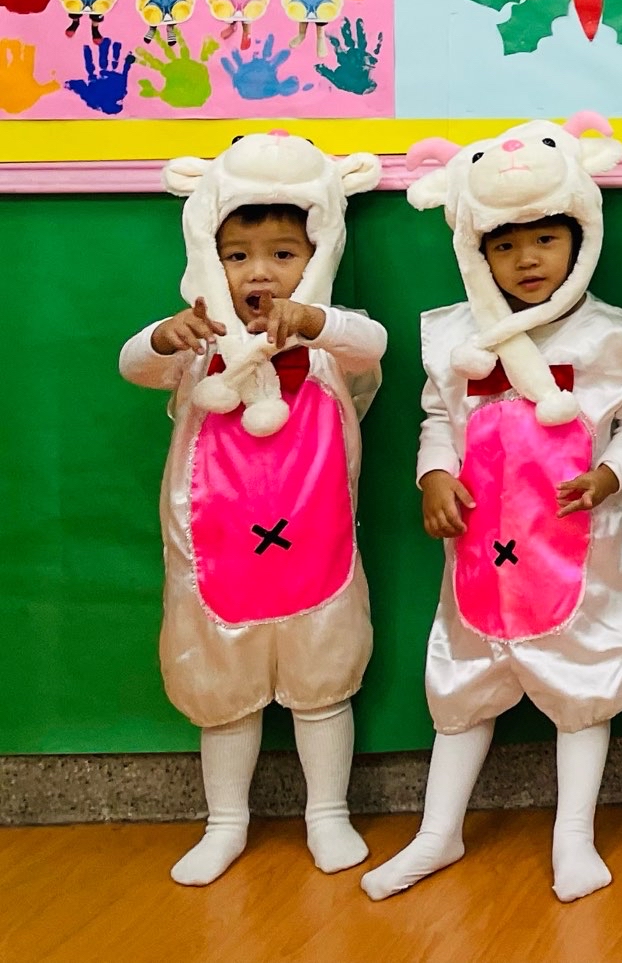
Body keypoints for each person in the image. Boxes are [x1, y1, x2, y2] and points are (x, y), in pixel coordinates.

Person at [362, 116, 622, 904]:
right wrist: (434, 473)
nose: (527, 258)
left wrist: (610, 474)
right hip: (487, 548)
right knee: (463, 682)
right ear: (476, 251)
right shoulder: (455, 337)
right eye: (505, 244)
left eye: (545, 239)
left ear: (580, 239)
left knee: (582, 679)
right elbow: (438, 415)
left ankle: (574, 834)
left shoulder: (615, 338)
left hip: (582, 548)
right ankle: (438, 829)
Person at [119, 136, 387, 884]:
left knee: (321, 682)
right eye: (237, 255)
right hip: (216, 554)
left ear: (318, 253)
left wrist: (316, 320)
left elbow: (372, 344)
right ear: (210, 258)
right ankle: (226, 821)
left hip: (317, 550)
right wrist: (160, 336)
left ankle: (327, 812)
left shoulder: (328, 342)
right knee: (224, 691)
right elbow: (133, 366)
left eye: (282, 253)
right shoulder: (200, 342)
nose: (259, 271)